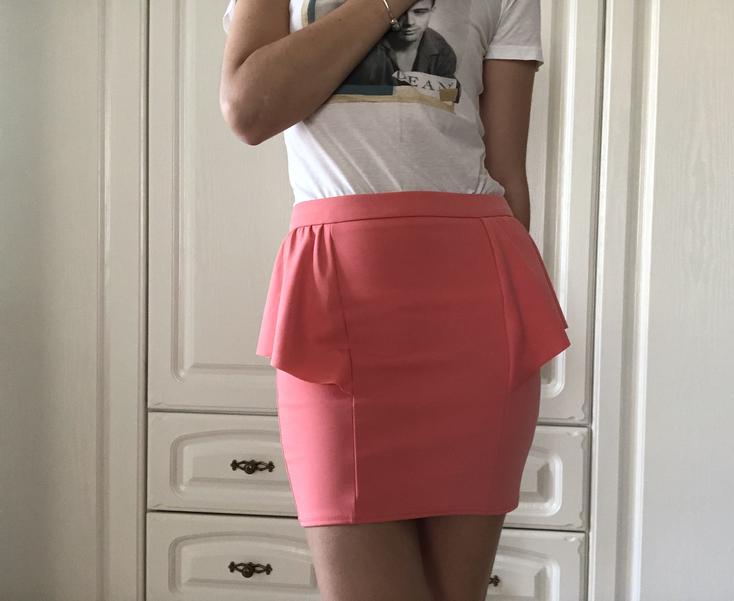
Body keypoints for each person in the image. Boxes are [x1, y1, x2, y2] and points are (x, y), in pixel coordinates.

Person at [220, 1, 569, 600]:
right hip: (338, 300)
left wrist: (517, 309)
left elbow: (508, 175)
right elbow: (249, 111)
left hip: (475, 300)